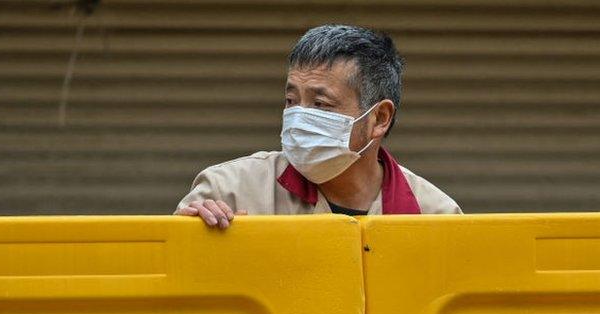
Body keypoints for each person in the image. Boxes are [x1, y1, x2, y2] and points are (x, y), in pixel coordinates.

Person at [175, 24, 462, 229]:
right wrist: (189, 237)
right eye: (291, 100)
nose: (298, 117)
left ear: (380, 118)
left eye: (320, 104)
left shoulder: (436, 216)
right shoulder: (228, 191)